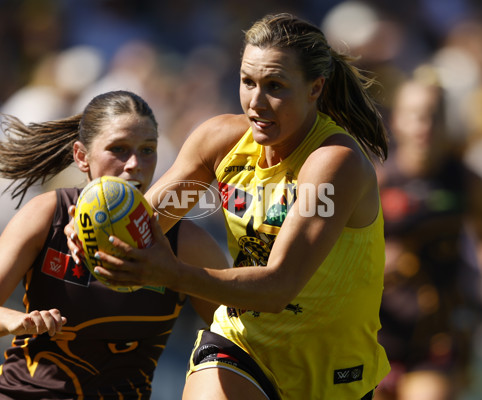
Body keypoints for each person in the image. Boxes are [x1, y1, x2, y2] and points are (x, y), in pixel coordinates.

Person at [67, 13, 391, 400]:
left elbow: (278, 288)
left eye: (275, 86)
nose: (256, 102)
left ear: (315, 88)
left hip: (331, 373)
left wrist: (173, 273)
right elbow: (149, 219)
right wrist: (97, 234)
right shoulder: (219, 143)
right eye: (247, 82)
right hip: (241, 346)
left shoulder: (334, 163)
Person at [0, 90, 228, 399]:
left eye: (147, 149)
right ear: (82, 157)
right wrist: (17, 320)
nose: (135, 163)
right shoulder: (48, 214)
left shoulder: (184, 242)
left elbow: (238, 331)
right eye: (119, 149)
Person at [374, 67, 482, 400]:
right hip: (377, 332)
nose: (426, 127)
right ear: (398, 121)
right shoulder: (375, 181)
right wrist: (379, 260)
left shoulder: (466, 181)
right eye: (417, 116)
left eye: (435, 117)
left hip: (436, 332)